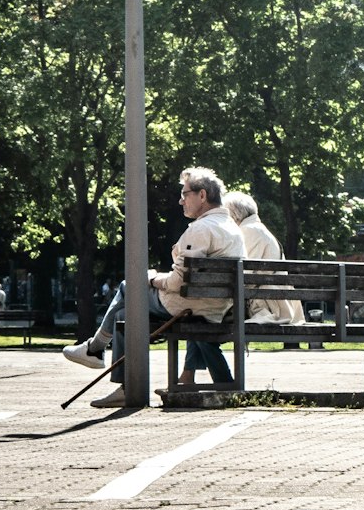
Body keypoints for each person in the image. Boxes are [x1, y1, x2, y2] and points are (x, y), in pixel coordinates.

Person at [61, 166, 245, 407]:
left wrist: (150, 279)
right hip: (215, 308)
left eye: (185, 194)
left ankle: (98, 352)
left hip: (185, 305)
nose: (180, 201)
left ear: (202, 195)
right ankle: (104, 361)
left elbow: (177, 283)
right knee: (124, 314)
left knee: (130, 286)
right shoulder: (234, 230)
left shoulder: (201, 229)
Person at [177, 192, 305, 386]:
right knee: (201, 318)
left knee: (202, 324)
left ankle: (224, 383)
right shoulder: (258, 229)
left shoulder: (248, 232)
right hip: (263, 300)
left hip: (263, 306)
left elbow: (237, 278)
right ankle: (192, 377)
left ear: (234, 214)